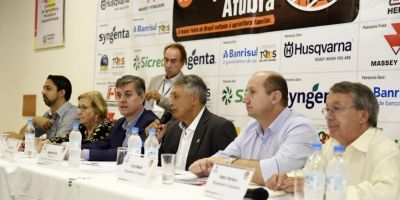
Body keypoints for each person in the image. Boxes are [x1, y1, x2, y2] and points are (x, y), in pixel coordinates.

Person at [265, 81, 400, 199]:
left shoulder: (386, 150)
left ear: (363, 115)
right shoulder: (331, 145)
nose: (329, 117)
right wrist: (286, 179)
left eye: (336, 109)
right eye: (327, 110)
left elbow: (385, 195)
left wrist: (322, 190)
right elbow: (309, 175)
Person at [188, 71, 319, 185]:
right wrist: (206, 163)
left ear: (275, 97)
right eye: (246, 92)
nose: (245, 99)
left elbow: (274, 173)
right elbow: (223, 157)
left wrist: (227, 163)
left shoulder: (300, 128)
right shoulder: (251, 127)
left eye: (252, 92)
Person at [147, 74, 237, 170]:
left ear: (194, 99)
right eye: (171, 97)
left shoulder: (220, 128)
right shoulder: (171, 128)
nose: (170, 103)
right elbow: (160, 167)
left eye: (176, 97)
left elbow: (230, 171)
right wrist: (155, 143)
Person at [82, 75, 158, 161]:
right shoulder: (120, 123)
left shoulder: (150, 122)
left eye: (128, 95)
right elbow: (103, 144)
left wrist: (85, 153)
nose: (122, 100)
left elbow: (128, 154)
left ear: (141, 98)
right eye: (118, 95)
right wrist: (73, 147)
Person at [48, 91, 113, 144]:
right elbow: (66, 138)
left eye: (84, 108)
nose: (79, 112)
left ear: (97, 110)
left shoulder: (105, 127)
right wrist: (48, 141)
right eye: (79, 107)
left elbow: (90, 145)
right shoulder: (82, 127)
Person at [145, 43, 186, 116]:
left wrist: (160, 98)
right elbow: (146, 106)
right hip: (150, 124)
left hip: (171, 126)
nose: (168, 65)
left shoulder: (186, 83)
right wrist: (143, 98)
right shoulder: (154, 80)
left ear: (182, 63)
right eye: (166, 60)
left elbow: (181, 108)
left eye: (173, 61)